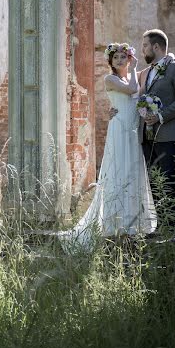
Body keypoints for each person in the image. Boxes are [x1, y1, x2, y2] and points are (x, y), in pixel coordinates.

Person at [58, 43, 157, 251]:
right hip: (119, 130)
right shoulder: (110, 79)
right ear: (111, 62)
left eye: (123, 56)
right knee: (118, 173)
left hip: (132, 133)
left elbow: (140, 87)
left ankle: (131, 223)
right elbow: (131, 90)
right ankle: (113, 224)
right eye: (116, 58)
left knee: (132, 173)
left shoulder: (130, 76)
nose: (120, 60)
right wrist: (134, 67)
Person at [136, 29, 175, 232]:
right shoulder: (148, 71)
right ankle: (162, 226)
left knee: (169, 180)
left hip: (169, 134)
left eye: (144, 45)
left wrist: (160, 116)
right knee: (155, 182)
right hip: (148, 136)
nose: (142, 49)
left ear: (156, 46)